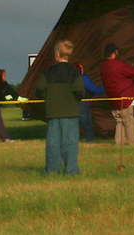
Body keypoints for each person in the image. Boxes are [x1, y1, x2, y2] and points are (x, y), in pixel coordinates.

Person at [35, 39, 85, 175]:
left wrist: (49, 98)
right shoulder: (75, 72)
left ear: (57, 54)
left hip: (53, 113)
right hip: (70, 112)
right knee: (70, 144)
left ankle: (52, 171)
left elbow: (39, 90)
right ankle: (71, 170)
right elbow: (80, 93)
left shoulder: (49, 72)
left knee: (53, 144)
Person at [100, 42, 134, 145]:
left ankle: (118, 148)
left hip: (115, 104)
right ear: (113, 53)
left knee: (119, 127)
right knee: (131, 128)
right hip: (127, 103)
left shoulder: (103, 67)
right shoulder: (118, 65)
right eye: (116, 52)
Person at [75, 63, 105, 142]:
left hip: (68, 104)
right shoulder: (83, 78)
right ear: (80, 70)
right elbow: (95, 90)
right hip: (82, 104)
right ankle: (90, 141)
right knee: (87, 125)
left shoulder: (67, 79)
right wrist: (107, 86)